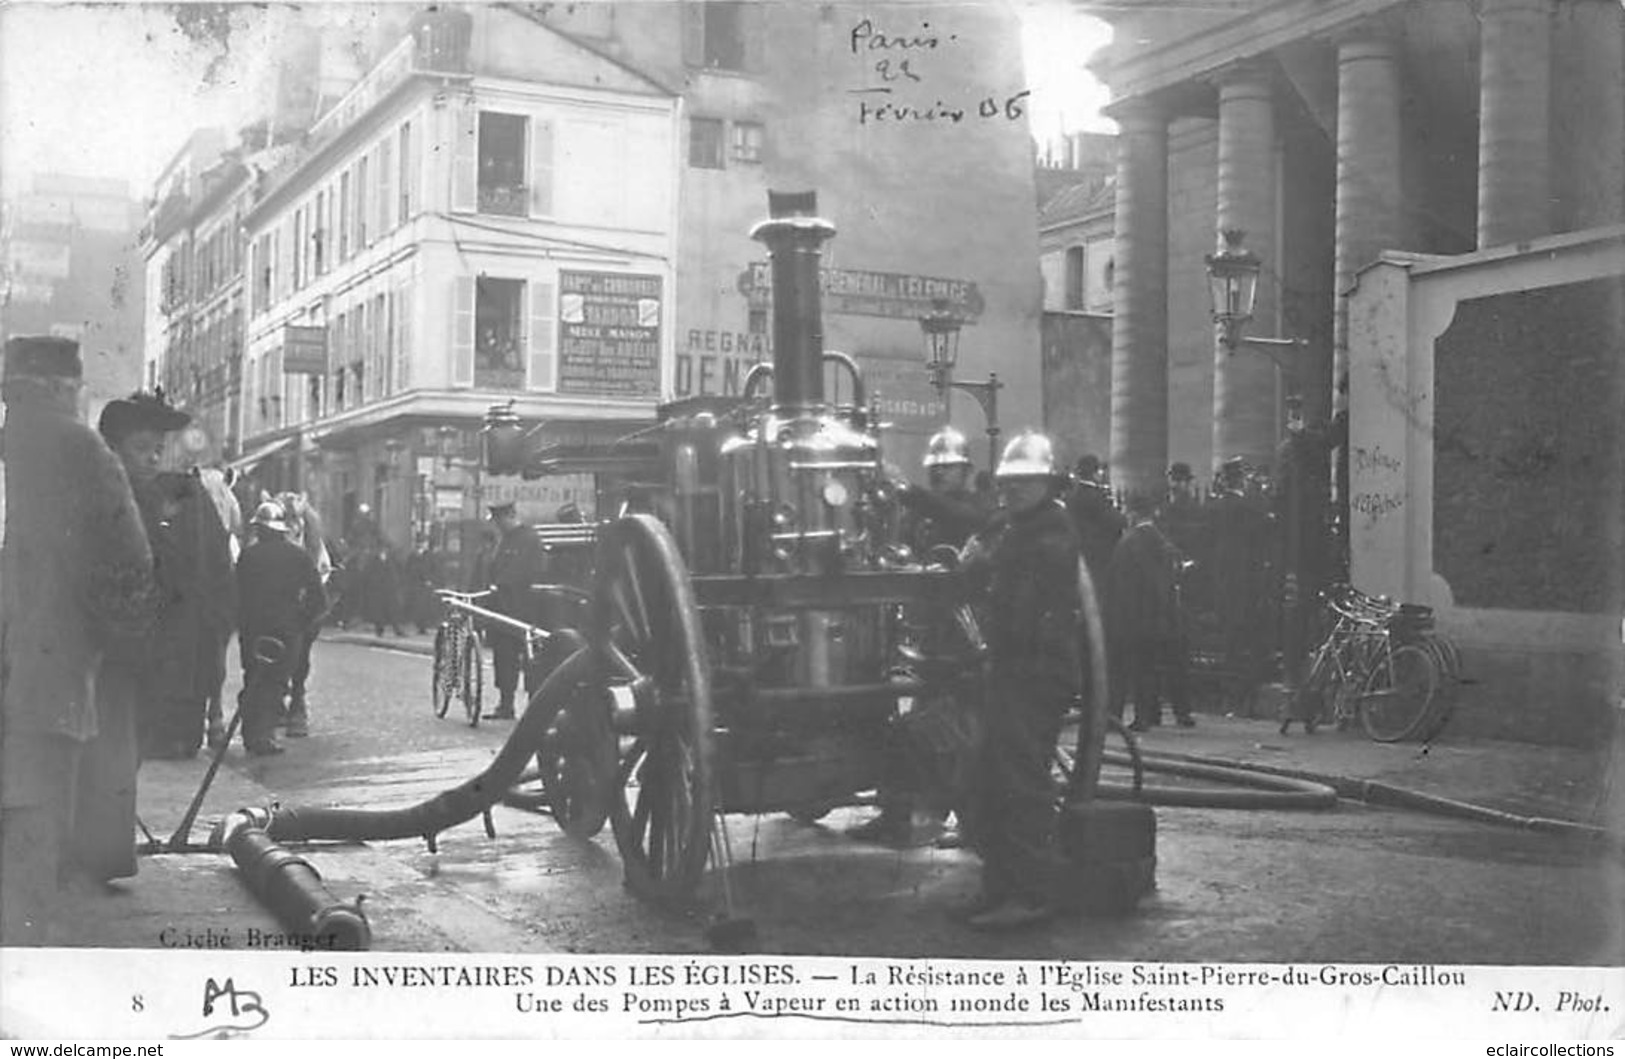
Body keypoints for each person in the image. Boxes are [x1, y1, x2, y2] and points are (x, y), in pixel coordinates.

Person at [1, 337, 158, 944]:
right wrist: (121, 643)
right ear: (67, 387)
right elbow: (128, 565)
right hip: (45, 679)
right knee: (30, 835)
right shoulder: (79, 448)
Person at [954, 430, 1083, 931]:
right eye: (1008, 483)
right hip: (1013, 669)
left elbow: (1023, 593)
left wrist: (985, 561)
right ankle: (999, 887)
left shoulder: (1050, 531)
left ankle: (1031, 895)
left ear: (1047, 484)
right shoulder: (1016, 527)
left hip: (1035, 673)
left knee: (1021, 783)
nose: (1012, 491)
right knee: (990, 780)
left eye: (1024, 483)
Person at [849, 426, 994, 848]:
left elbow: (970, 522)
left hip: (966, 637)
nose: (938, 476)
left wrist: (912, 494)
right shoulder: (925, 515)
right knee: (918, 728)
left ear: (966, 471)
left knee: (960, 733)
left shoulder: (975, 508)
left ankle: (967, 823)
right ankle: (898, 814)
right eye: (934, 470)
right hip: (928, 634)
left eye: (946, 470)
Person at [98, 390, 237, 760]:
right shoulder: (100, 497)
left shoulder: (189, 498)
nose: (154, 456)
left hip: (178, 667)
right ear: (114, 448)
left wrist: (210, 639)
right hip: (122, 663)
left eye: (159, 447)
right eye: (143, 447)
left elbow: (217, 572)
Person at [235, 502, 326, 756]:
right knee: (275, 683)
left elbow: (237, 594)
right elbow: (318, 598)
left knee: (252, 678)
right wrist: (301, 621)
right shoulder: (298, 556)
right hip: (286, 630)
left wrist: (243, 621)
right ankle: (263, 735)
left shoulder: (248, 556)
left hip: (253, 629)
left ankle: (250, 732)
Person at [1108, 492, 1194, 731]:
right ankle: (1151, 714)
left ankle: (1138, 717)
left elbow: (1129, 581)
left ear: (1133, 513)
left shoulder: (1131, 541)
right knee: (1148, 666)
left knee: (1129, 668)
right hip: (1157, 616)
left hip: (1133, 614)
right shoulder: (1160, 539)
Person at [1208, 457, 1276, 711]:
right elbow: (1263, 530)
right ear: (1240, 480)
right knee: (1245, 643)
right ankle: (1242, 699)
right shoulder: (1244, 507)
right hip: (1246, 585)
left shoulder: (1220, 506)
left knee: (1232, 645)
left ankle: (1233, 699)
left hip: (1227, 584)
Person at [484, 502, 548, 720]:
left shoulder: (529, 539)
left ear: (511, 516)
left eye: (500, 521)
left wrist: (501, 585)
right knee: (504, 659)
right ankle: (506, 704)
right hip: (503, 608)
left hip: (525, 609)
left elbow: (526, 571)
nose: (497, 526)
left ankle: (534, 706)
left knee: (531, 659)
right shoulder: (505, 540)